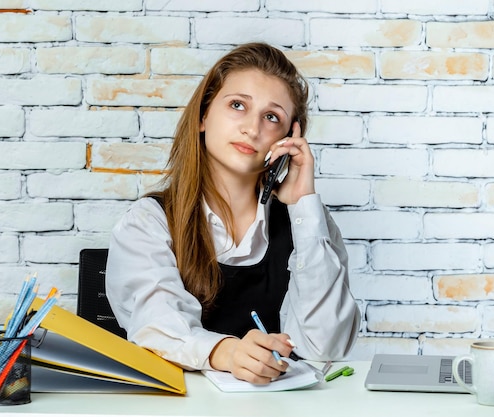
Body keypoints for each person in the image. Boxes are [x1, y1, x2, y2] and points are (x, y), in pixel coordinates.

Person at [105, 42, 360, 384]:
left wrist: (303, 206)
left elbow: (325, 349)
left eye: (272, 117)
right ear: (203, 116)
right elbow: (157, 326)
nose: (252, 129)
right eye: (238, 105)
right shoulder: (149, 221)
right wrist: (229, 352)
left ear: (288, 138)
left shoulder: (309, 222)